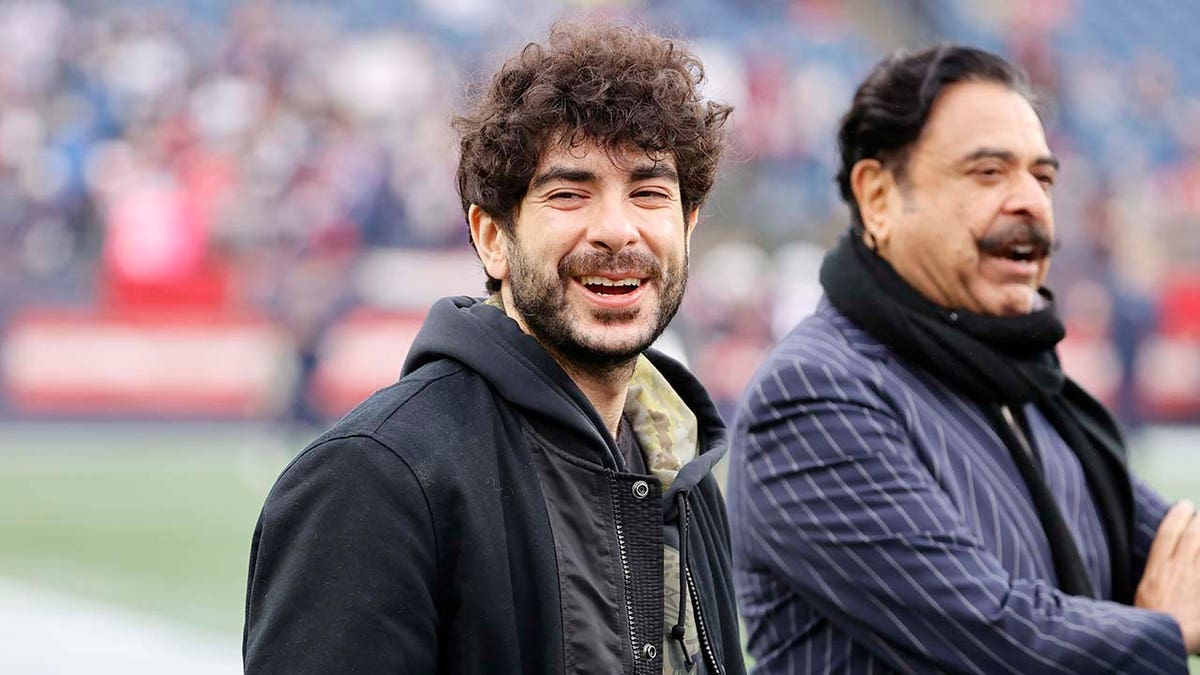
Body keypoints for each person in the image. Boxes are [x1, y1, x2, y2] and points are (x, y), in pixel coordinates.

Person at [243, 22, 746, 675]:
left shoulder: (684, 471)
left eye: (649, 193)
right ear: (492, 239)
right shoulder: (374, 478)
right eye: (570, 193)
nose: (618, 230)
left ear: (688, 226)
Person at [728, 45, 1200, 674]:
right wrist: (1164, 633)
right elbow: (996, 641)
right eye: (988, 173)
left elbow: (1179, 551)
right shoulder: (815, 394)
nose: (1031, 201)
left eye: (1044, 177)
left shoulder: (1025, 386)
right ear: (878, 198)